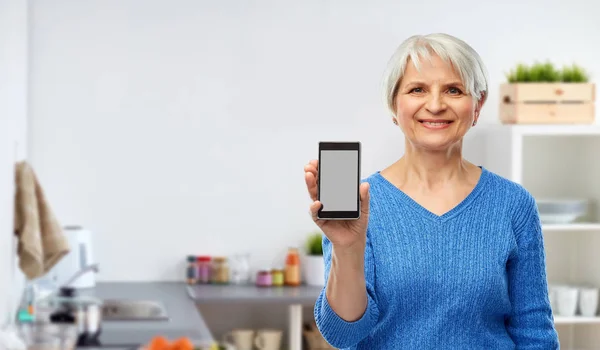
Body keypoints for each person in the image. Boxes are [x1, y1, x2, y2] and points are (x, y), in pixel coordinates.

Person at [303, 33, 560, 349]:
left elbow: (535, 334)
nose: (435, 105)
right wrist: (347, 248)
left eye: (453, 90)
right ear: (394, 106)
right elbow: (343, 335)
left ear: (477, 105)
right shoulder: (362, 204)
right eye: (417, 89)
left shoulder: (513, 204)